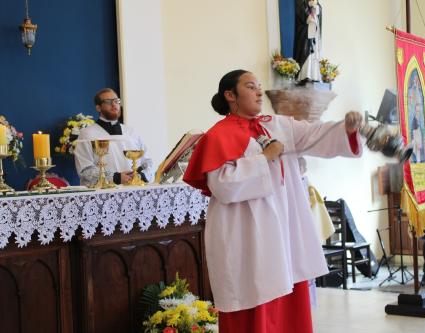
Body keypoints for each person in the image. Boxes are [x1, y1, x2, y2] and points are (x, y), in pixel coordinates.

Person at [183, 69, 363, 332]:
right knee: (252, 293)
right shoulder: (217, 135)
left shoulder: (279, 125)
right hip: (245, 233)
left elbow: (316, 135)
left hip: (284, 228)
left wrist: (346, 129)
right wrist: (265, 158)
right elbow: (222, 186)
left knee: (288, 290)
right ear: (230, 95)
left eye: (258, 86)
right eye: (250, 86)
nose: (258, 91)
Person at [74, 88, 153, 186]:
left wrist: (141, 176)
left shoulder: (131, 132)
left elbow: (148, 162)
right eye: (108, 102)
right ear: (98, 107)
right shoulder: (87, 134)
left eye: (116, 101)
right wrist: (115, 178)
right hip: (104, 193)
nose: (114, 104)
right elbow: (85, 170)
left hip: (134, 189)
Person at [294, 0, 322, 82]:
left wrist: (315, 7)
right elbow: (301, 12)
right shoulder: (301, 2)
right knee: (305, 51)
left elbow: (319, 11)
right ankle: (305, 75)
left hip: (314, 34)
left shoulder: (316, 3)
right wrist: (309, 8)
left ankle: (314, 75)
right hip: (305, 34)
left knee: (314, 53)